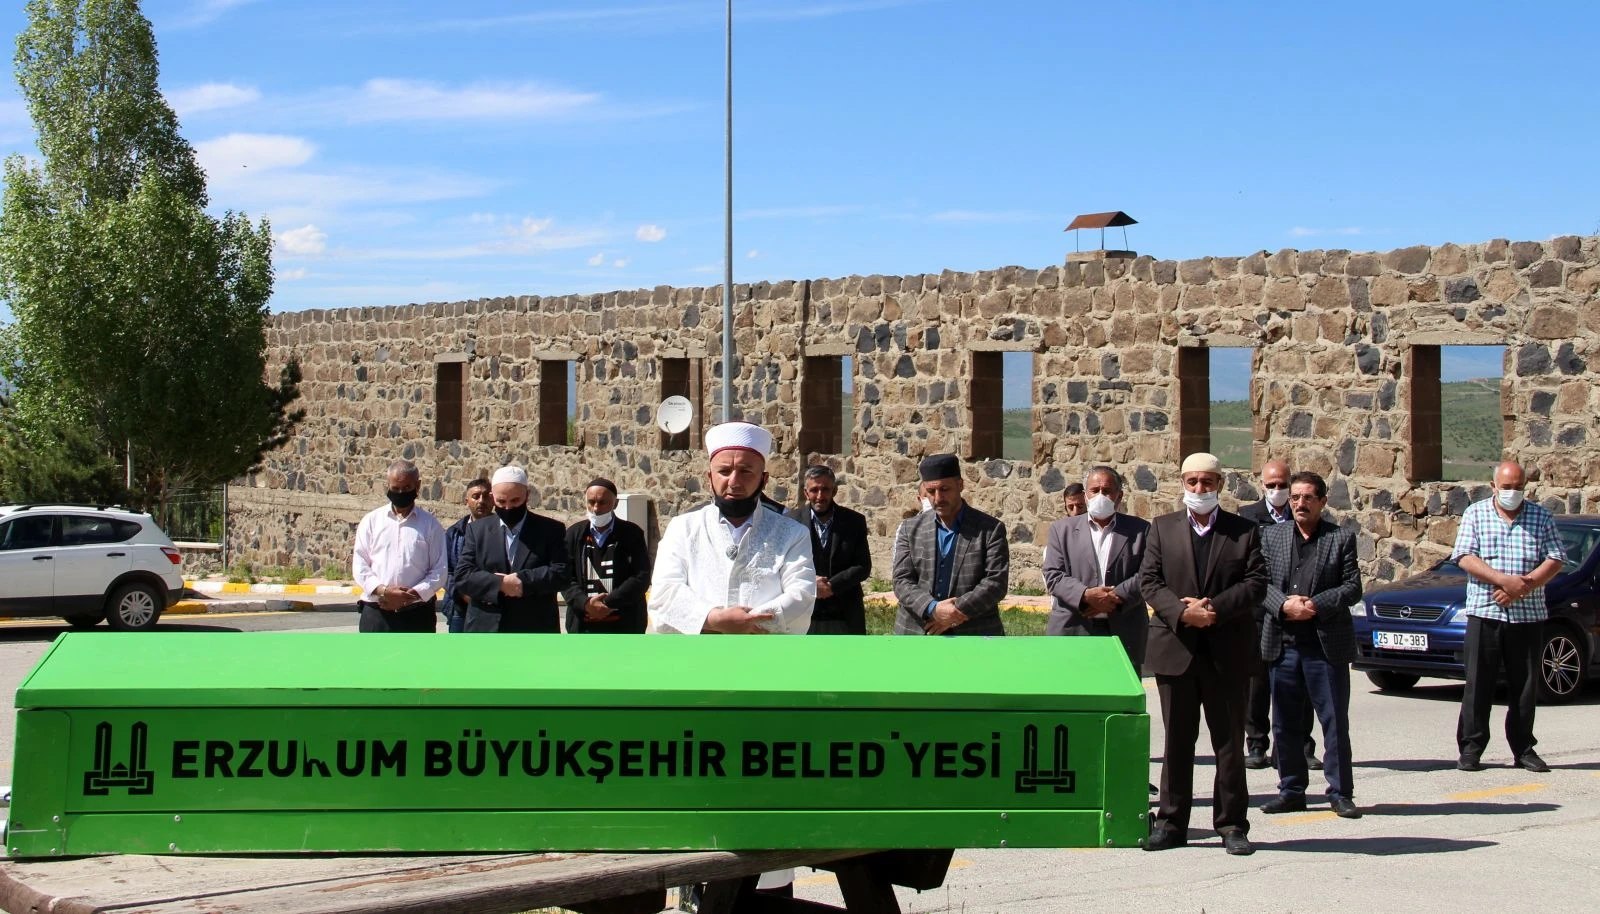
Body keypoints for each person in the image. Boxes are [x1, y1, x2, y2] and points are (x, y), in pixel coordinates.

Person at [1141, 452, 1268, 856]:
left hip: (1226, 653)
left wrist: (1212, 609)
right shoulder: (1162, 528)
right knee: (1177, 741)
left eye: (1207, 482)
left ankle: (1232, 824)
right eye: (1192, 481)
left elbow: (1256, 582)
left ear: (1220, 485)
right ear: (1182, 483)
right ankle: (1171, 822)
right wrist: (1183, 613)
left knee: (1228, 744)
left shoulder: (1243, 531)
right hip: (1176, 650)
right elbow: (1149, 581)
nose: (1200, 488)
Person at [1257, 472, 1363, 819]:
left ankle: (1340, 792)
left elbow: (1352, 587)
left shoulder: (1340, 538)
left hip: (1324, 646)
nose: (1300, 504)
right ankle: (1291, 790)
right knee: (1284, 724)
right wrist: (1285, 605)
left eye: (1307, 498)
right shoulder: (1271, 536)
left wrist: (1315, 604)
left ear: (1322, 502)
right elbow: (1259, 582)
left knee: (1334, 722)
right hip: (1283, 643)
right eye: (1295, 497)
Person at [649, 421, 815, 635]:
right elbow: (664, 595)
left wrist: (747, 623)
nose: (734, 481)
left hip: (764, 652)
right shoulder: (683, 529)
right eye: (724, 471)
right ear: (710, 478)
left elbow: (802, 596)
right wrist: (715, 619)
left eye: (745, 471)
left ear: (764, 479)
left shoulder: (792, 534)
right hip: (696, 653)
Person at [1452, 460, 1565, 773]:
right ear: (1493, 486)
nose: (1512, 492)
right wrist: (1503, 581)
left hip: (1528, 615)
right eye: (1506, 487)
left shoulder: (1541, 517)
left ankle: (1524, 748)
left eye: (1518, 487)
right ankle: (1471, 749)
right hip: (1485, 613)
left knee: (1525, 687)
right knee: (1478, 684)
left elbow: (1556, 558)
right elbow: (1464, 556)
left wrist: (1522, 587)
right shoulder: (1475, 514)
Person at [1237, 459, 1314, 771]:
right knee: (1256, 685)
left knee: (1299, 683)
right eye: (1272, 485)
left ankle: (1302, 746)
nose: (1278, 490)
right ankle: (1256, 744)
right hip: (1260, 611)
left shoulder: (1302, 514)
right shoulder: (1247, 517)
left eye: (1283, 485)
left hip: (1295, 611)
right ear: (1262, 485)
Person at [1043, 466, 1150, 673]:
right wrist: (1085, 595)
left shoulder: (1140, 530)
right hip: (1073, 629)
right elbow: (1053, 575)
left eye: (1107, 491)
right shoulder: (1061, 530)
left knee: (1121, 691)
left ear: (1119, 496)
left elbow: (1147, 573)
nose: (1100, 496)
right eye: (1095, 490)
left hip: (1124, 630)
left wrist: (1113, 598)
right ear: (1086, 495)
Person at [892, 454, 1008, 636]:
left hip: (974, 633)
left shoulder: (990, 529)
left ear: (960, 485)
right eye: (931, 491)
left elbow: (996, 583)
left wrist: (953, 613)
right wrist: (932, 608)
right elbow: (901, 581)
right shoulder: (910, 529)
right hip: (917, 632)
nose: (938, 498)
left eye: (944, 489)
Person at [451, 465, 571, 633]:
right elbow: (463, 575)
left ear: (527, 495)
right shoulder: (477, 530)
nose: (508, 508)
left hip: (534, 627)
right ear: (492, 497)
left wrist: (522, 581)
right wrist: (499, 584)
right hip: (485, 628)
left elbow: (562, 573)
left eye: (515, 501)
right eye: (501, 501)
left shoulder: (550, 530)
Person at [351, 460, 448, 633]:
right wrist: (384, 591)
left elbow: (439, 571)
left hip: (417, 616)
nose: (401, 493)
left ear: (417, 486)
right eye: (395, 488)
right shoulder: (371, 521)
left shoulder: (431, 525)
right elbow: (360, 565)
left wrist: (408, 597)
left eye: (407, 487)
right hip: (377, 614)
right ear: (387, 486)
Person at [786, 465, 872, 635]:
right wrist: (811, 585)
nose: (820, 496)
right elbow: (783, 565)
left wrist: (832, 586)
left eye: (825, 489)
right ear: (806, 493)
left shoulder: (854, 522)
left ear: (834, 491)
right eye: (814, 490)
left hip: (844, 614)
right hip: (802, 613)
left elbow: (863, 566)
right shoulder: (790, 522)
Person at [563, 478, 652, 634]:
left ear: (615, 504)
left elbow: (641, 576)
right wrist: (586, 604)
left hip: (624, 625)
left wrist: (608, 603)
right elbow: (565, 576)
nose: (596, 509)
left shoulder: (632, 534)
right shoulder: (574, 534)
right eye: (591, 502)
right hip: (583, 626)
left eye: (602, 502)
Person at [441, 477, 492, 633]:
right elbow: (446, 571)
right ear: (467, 501)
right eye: (476, 496)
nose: (481, 501)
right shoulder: (454, 533)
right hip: (460, 609)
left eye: (486, 496)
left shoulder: (503, 531)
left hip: (493, 608)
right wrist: (463, 595)